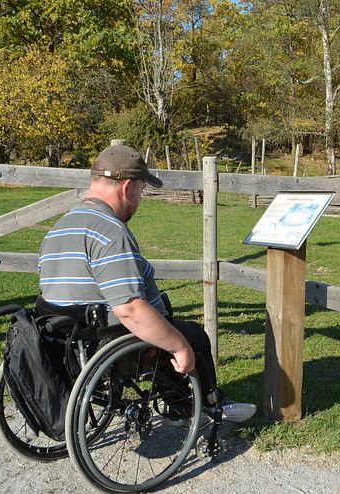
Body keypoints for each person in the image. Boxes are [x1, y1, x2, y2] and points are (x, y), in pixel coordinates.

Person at [37, 143, 255, 423]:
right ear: (127, 188)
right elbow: (130, 310)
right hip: (104, 340)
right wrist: (179, 347)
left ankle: (178, 400)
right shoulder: (110, 232)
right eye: (140, 191)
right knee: (192, 336)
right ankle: (210, 404)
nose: (139, 200)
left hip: (65, 338)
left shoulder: (60, 226)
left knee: (165, 328)